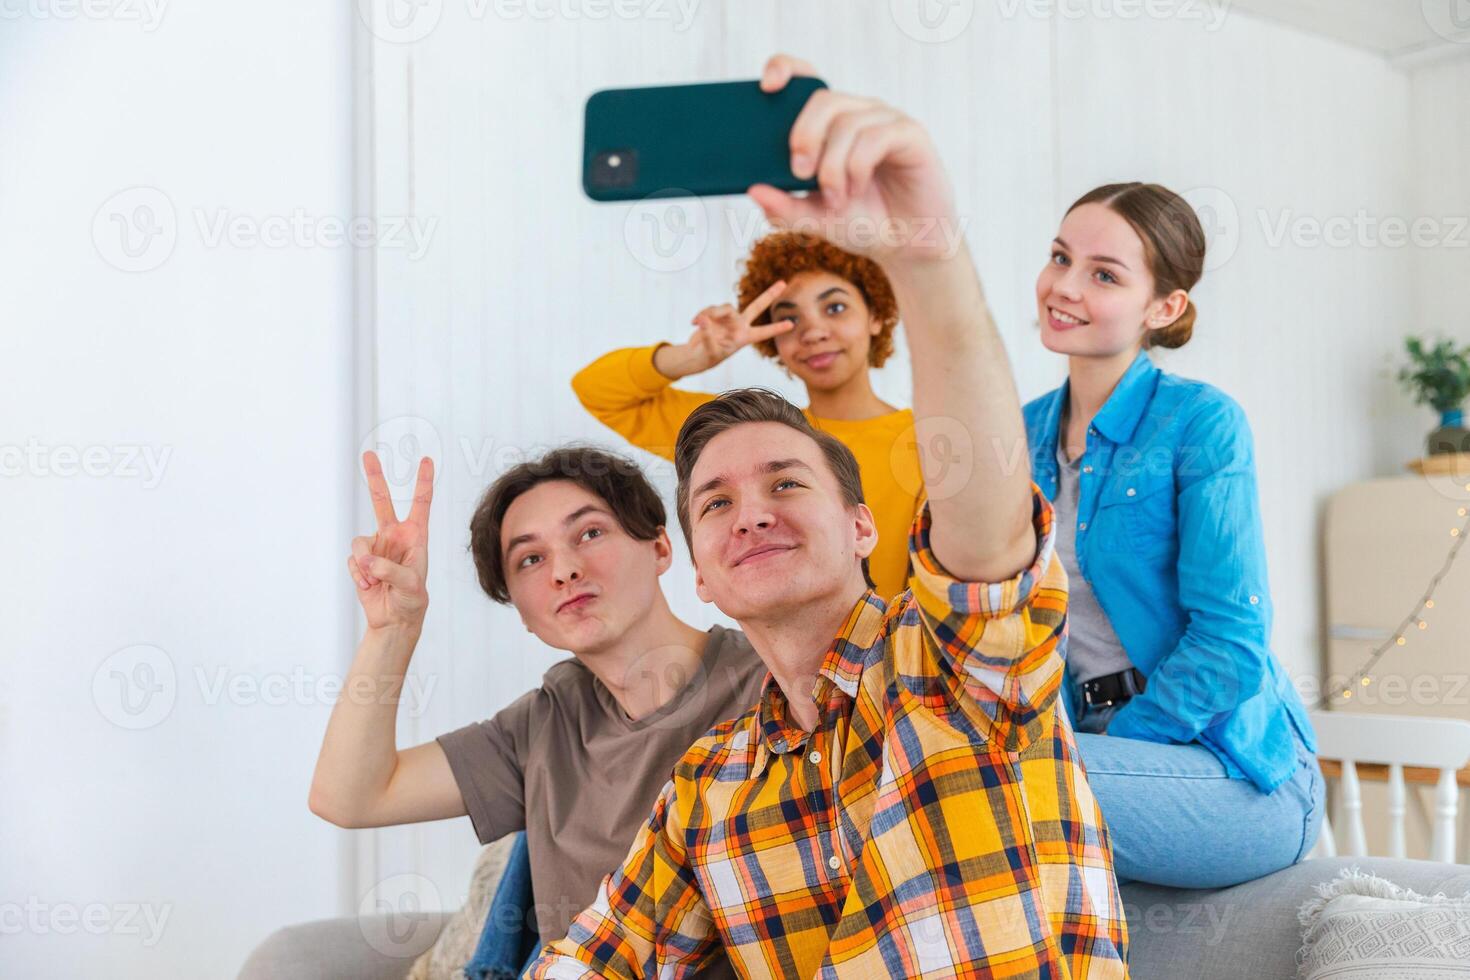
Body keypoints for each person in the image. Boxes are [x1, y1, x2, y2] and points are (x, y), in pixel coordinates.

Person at [529, 72, 1126, 979]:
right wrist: (701, 353)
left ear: (860, 528)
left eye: (784, 482)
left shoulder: (955, 665)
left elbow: (981, 505)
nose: (751, 511)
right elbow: (597, 957)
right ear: (696, 571)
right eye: (715, 504)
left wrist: (923, 253)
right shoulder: (708, 785)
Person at [308, 447, 764, 977]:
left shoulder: (767, 683)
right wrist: (393, 630)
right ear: (520, 611)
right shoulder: (546, 722)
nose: (566, 571)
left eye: (590, 533)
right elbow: (350, 796)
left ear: (660, 546)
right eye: (530, 559)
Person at [1023, 181, 1322, 888]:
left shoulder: (1201, 423)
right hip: (1093, 752)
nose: (1064, 286)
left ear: (1164, 307)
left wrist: (1115, 745)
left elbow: (1231, 641)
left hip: (1231, 769)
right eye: (1059, 257)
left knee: (996, 784)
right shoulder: (1021, 433)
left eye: (1103, 274)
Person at [573, 60, 921, 603]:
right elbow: (598, 393)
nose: (814, 333)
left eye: (834, 307)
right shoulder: (743, 444)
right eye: (791, 316)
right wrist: (689, 357)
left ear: (876, 313)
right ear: (770, 337)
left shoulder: (928, 440)